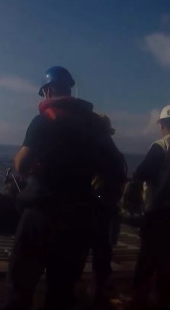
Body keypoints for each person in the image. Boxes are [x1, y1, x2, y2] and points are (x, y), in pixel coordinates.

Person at [2, 66, 124, 310]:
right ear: (69, 89)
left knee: (21, 283)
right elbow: (116, 167)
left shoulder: (44, 120)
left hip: (41, 214)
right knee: (62, 290)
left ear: (47, 91)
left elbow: (22, 164)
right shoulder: (95, 124)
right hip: (79, 217)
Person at [127, 104, 170, 310]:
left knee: (147, 261)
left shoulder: (161, 146)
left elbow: (142, 172)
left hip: (158, 215)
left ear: (162, 124)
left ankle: (139, 302)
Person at [87, 113, 128, 306]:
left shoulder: (95, 147)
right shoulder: (115, 151)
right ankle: (101, 289)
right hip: (109, 206)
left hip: (94, 206)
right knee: (103, 250)